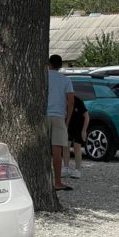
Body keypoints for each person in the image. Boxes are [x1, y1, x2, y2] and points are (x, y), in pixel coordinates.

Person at [47, 54, 74, 190]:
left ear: (49, 63)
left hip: (42, 117)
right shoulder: (65, 80)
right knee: (57, 151)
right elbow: (71, 101)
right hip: (58, 117)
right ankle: (57, 181)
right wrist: (67, 119)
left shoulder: (43, 77)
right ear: (61, 65)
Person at [63, 95, 90, 179]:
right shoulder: (62, 100)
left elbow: (87, 117)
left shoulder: (78, 101)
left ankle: (78, 170)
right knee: (66, 146)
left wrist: (84, 130)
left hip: (79, 127)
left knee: (76, 147)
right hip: (68, 126)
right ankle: (66, 168)